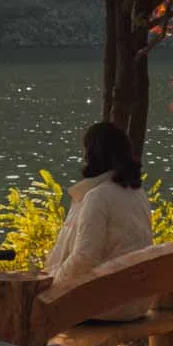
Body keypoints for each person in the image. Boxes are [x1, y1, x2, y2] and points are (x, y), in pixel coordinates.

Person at [45, 120, 153, 320]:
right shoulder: (137, 193)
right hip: (137, 300)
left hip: (108, 304)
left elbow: (85, 257)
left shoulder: (98, 196)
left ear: (93, 154)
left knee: (30, 309)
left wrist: (53, 287)